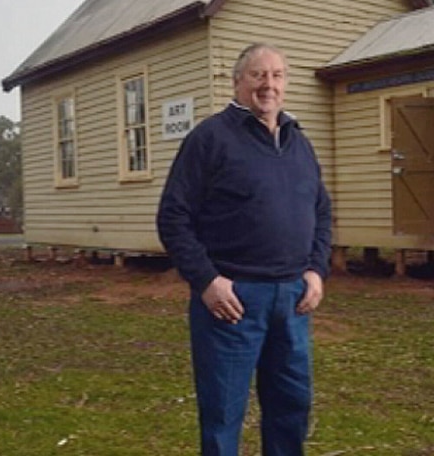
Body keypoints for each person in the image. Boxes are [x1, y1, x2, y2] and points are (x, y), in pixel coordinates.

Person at [156, 43, 332, 455]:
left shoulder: (299, 143)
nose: (268, 84)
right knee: (222, 414)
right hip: (232, 301)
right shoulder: (210, 138)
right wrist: (206, 281)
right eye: (258, 75)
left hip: (292, 300)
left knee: (291, 407)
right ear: (237, 83)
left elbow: (322, 212)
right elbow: (173, 217)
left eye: (277, 75)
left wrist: (316, 270)